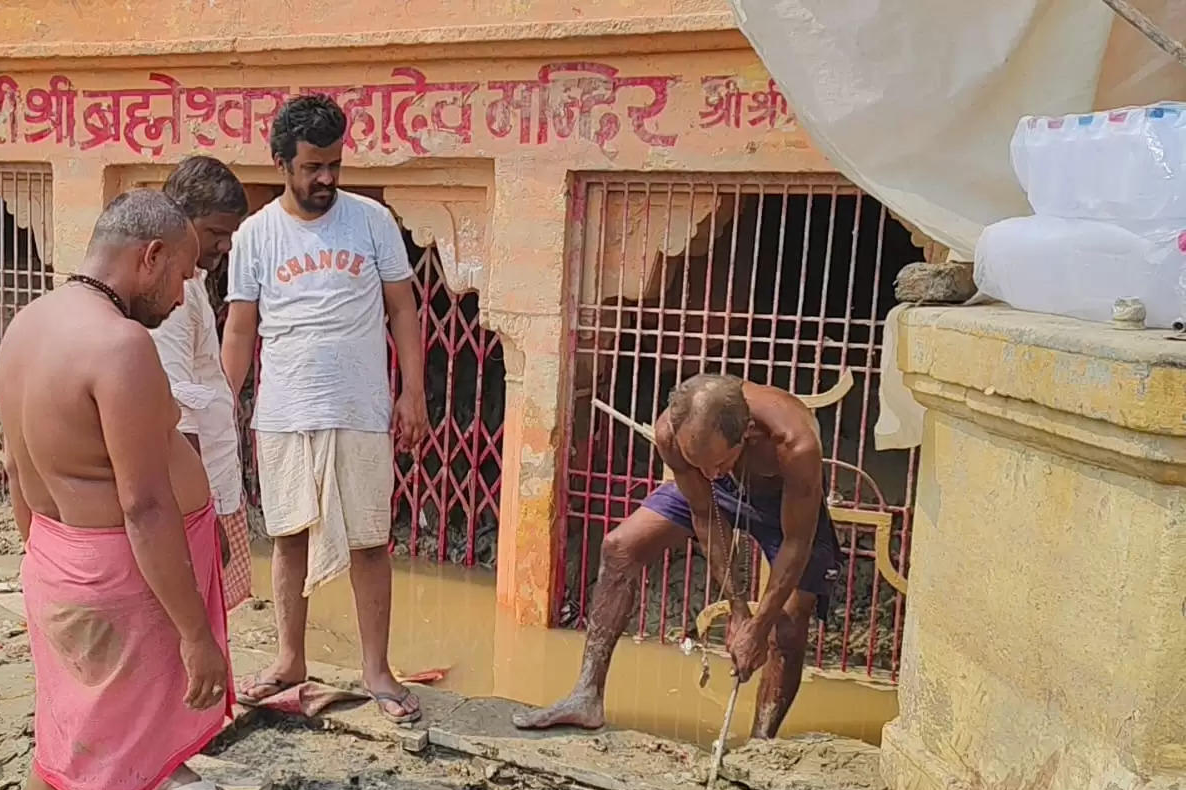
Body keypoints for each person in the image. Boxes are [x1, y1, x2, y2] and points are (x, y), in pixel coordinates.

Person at [0, 189, 232, 790]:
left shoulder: (28, 323)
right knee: (117, 783)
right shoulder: (120, 345)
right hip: (119, 583)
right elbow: (144, 501)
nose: (187, 289)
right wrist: (195, 631)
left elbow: (15, 468)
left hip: (58, 557)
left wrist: (49, 563)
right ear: (149, 256)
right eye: (186, 272)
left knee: (62, 748)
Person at [221, 94, 431, 724]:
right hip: (285, 408)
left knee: (370, 540)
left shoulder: (372, 221)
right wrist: (220, 406)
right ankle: (289, 660)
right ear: (282, 162)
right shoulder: (254, 235)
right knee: (286, 538)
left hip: (361, 407)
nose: (327, 179)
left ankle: (377, 670)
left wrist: (412, 391)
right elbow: (239, 329)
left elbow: (402, 309)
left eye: (334, 164)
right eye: (313, 166)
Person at [513, 373, 842, 740]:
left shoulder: (794, 444)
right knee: (619, 548)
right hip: (713, 495)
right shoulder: (672, 434)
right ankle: (586, 696)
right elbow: (704, 513)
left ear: (747, 433)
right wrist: (736, 608)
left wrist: (758, 624)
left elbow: (797, 542)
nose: (710, 473)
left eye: (718, 462)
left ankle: (760, 742)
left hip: (781, 502)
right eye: (697, 462)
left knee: (790, 617)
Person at [144, 155, 254, 790]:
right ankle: (161, 764)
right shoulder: (165, 297)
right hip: (191, 490)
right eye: (214, 233)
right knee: (174, 624)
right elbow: (171, 410)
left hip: (211, 479)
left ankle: (176, 743)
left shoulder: (187, 288)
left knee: (202, 620)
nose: (221, 248)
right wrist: (197, 507)